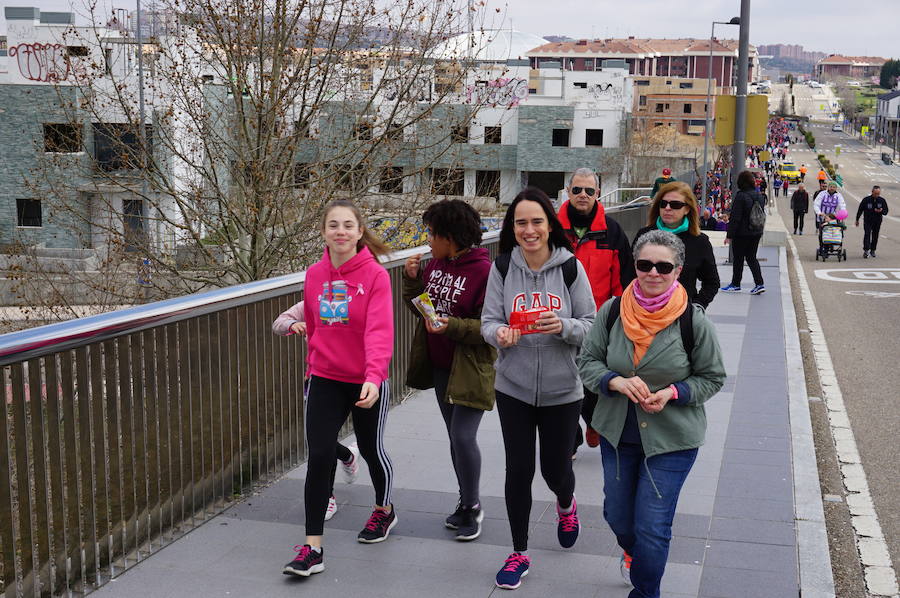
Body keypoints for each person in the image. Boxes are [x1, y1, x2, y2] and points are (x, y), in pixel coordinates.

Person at [577, 230, 725, 598]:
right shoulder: (612, 311)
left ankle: (645, 592)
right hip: (617, 435)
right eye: (645, 264)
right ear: (635, 267)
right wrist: (613, 381)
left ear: (677, 271)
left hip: (672, 441)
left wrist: (675, 392)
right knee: (618, 517)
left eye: (663, 266)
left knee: (652, 527)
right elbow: (587, 362)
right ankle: (635, 555)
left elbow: (713, 377)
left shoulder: (694, 321)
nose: (653, 273)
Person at [481, 187, 596, 590]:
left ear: (550, 225)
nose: (529, 230)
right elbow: (487, 322)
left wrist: (563, 326)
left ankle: (567, 503)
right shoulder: (501, 269)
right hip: (512, 386)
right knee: (519, 470)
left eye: (536, 222)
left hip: (563, 390)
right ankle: (519, 552)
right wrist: (500, 334)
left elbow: (591, 324)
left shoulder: (570, 269)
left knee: (554, 469)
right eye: (521, 223)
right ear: (512, 229)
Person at [282, 200, 396, 578]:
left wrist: (374, 376)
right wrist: (310, 369)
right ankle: (313, 548)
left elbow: (379, 330)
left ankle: (384, 509)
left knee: (370, 448)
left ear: (360, 232)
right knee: (318, 457)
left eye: (348, 225)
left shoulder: (376, 276)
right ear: (324, 232)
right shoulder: (314, 274)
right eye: (334, 225)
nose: (341, 232)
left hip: (364, 378)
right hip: (325, 378)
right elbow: (313, 326)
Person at [403, 199, 494, 541]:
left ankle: (472, 507)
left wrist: (450, 326)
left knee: (462, 436)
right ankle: (465, 501)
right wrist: (413, 281)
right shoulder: (435, 264)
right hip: (440, 366)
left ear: (450, 236)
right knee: (455, 439)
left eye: (432, 233)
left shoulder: (485, 273)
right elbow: (426, 313)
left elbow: (488, 328)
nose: (428, 239)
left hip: (470, 369)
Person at [557, 167, 635, 453]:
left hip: (598, 324)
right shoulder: (552, 228)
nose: (582, 195)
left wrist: (616, 321)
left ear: (598, 194)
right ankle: (572, 437)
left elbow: (623, 280)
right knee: (563, 382)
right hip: (558, 321)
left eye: (589, 191)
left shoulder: (612, 231)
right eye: (577, 189)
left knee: (591, 383)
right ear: (568, 191)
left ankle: (592, 422)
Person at [272, 301, 362, 522]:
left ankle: (345, 460)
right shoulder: (310, 302)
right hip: (317, 380)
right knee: (320, 443)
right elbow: (278, 323)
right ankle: (335, 480)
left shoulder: (352, 302)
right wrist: (293, 325)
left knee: (325, 442)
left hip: (351, 380)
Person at [634, 181, 719, 310]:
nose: (667, 208)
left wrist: (697, 306)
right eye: (663, 204)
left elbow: (712, 282)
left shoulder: (699, 241)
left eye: (675, 205)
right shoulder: (643, 235)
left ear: (687, 209)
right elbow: (629, 273)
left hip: (681, 314)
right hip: (643, 312)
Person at [721, 170, 766, 295]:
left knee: (738, 259)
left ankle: (736, 284)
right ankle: (759, 283)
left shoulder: (741, 196)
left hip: (742, 234)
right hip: (756, 231)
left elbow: (735, 218)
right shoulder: (759, 196)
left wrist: (729, 235)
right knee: (752, 257)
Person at [855, 185, 889, 258]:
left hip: (877, 221)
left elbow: (886, 211)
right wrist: (857, 219)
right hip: (868, 220)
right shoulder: (866, 200)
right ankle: (866, 250)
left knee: (875, 235)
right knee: (867, 234)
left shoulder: (882, 200)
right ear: (872, 192)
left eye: (878, 194)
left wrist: (881, 211)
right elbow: (860, 210)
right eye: (875, 193)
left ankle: (873, 250)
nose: (877, 195)